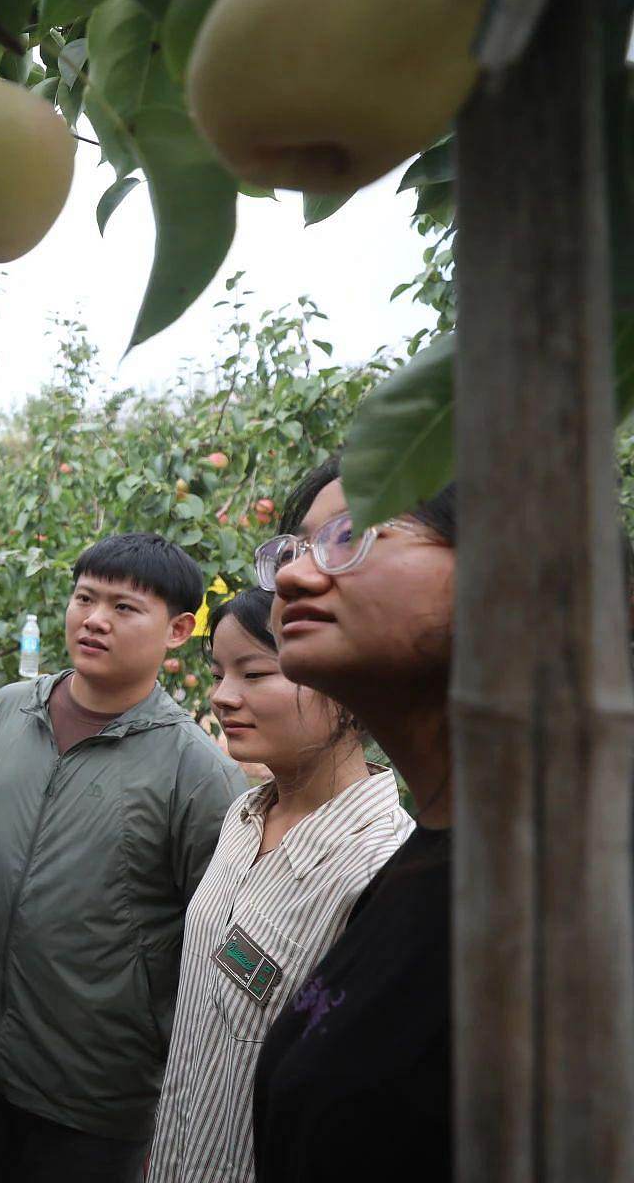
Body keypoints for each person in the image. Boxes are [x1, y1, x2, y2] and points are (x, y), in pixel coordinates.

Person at [0, 532, 247, 1183]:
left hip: (93, 1102)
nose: (94, 619)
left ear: (179, 630)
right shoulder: (3, 715)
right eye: (84, 597)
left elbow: (208, 947)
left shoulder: (199, 775)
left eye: (124, 608)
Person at [146, 587, 413, 1182]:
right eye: (218, 672)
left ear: (348, 689)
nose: (221, 695)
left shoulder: (379, 869)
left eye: (256, 673)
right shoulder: (243, 819)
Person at [248, 457, 457, 1182]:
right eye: (295, 550)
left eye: (354, 534)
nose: (294, 579)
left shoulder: (580, 899)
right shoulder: (421, 871)